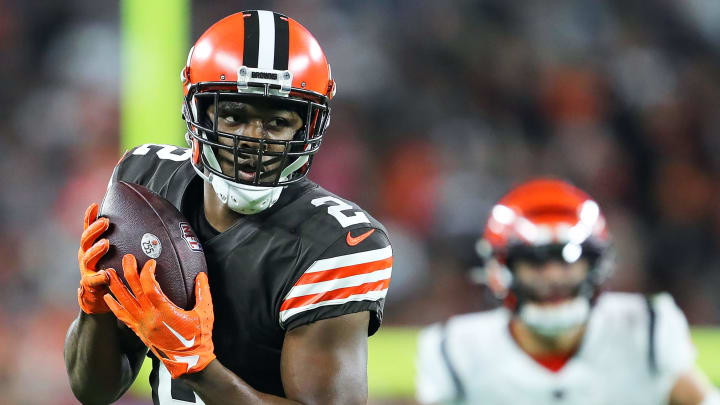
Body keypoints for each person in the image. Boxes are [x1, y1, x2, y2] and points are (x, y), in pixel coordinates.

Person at [64, 10, 392, 405]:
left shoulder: (338, 244)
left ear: (306, 127)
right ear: (197, 111)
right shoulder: (145, 180)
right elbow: (93, 390)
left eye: (277, 122)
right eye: (235, 116)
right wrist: (95, 307)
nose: (253, 139)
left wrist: (197, 366)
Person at [416, 179, 718, 405]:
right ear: (500, 268)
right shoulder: (456, 349)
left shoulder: (645, 327)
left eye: (568, 259)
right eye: (535, 261)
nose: (554, 276)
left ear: (596, 264)